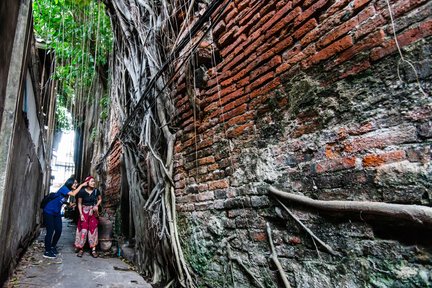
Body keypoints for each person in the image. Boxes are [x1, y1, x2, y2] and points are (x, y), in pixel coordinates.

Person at [42, 177, 87, 259]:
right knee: (50, 231)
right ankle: (47, 251)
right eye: (75, 183)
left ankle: (52, 247)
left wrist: (68, 203)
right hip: (49, 211)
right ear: (70, 182)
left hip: (56, 213)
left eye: (77, 183)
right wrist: (82, 185)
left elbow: (61, 199)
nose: (76, 185)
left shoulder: (67, 191)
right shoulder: (64, 188)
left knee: (59, 230)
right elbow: (73, 194)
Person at [75, 176, 102, 258]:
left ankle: (93, 249)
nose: (93, 183)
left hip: (93, 213)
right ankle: (81, 248)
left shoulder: (96, 191)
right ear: (87, 182)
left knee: (93, 229)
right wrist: (81, 214)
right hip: (84, 212)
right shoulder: (82, 192)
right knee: (83, 230)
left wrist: (96, 205)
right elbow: (79, 203)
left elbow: (100, 199)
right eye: (92, 181)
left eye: (94, 181)